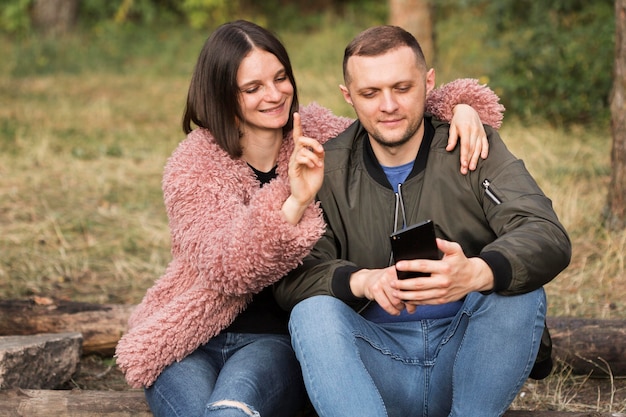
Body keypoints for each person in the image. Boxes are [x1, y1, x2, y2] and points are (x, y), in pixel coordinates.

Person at [114, 20, 505, 417]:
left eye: (281, 78)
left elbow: (386, 114)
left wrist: (462, 107)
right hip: (187, 338)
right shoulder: (194, 163)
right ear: (223, 95)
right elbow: (227, 268)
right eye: (253, 88)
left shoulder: (318, 134)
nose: (275, 94)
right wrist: (294, 201)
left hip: (273, 338)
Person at [275, 25, 572, 417]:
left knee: (519, 292)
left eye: (402, 88)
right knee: (311, 313)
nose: (389, 106)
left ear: (428, 82)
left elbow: (545, 233)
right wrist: (362, 280)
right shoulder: (327, 169)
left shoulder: (472, 145)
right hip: (375, 364)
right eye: (370, 93)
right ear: (348, 96)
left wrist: (478, 272)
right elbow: (293, 278)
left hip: (467, 359)